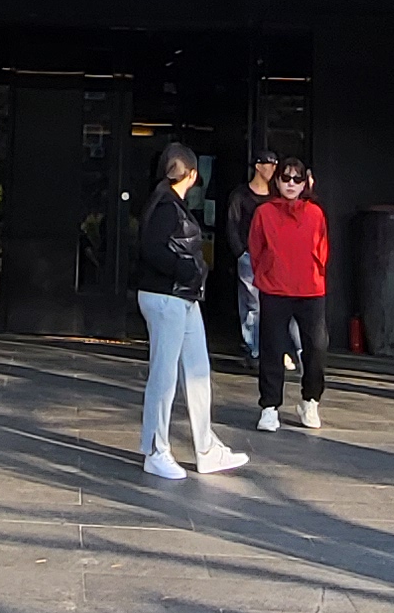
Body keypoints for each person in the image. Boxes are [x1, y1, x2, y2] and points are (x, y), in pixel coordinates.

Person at [132, 142, 246, 480]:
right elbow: (153, 249)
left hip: (179, 297)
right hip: (169, 296)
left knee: (196, 370)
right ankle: (156, 450)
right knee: (166, 375)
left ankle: (205, 448)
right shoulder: (167, 206)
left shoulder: (164, 203)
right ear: (193, 174)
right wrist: (184, 271)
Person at [247, 157, 331, 433]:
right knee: (272, 348)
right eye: (286, 177)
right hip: (275, 288)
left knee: (316, 347)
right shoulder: (264, 213)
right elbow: (255, 248)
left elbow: (323, 249)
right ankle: (269, 406)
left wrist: (314, 272)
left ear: (306, 182)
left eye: (297, 178)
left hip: (310, 289)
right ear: (277, 181)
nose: (291, 183)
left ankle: (311, 400)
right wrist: (267, 273)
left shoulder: (315, 213)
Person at [231, 153, 275, 357]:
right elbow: (232, 224)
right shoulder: (241, 195)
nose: (273, 169)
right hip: (249, 255)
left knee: (272, 303)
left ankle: (267, 347)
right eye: (269, 164)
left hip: (271, 256)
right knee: (252, 303)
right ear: (258, 166)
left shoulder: (275, 195)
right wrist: (240, 252)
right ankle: (253, 347)